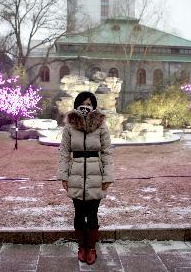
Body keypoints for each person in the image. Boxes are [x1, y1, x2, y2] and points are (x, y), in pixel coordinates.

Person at [57, 91, 114, 265]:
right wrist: (63, 176)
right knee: (79, 213)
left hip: (96, 174)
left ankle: (91, 247)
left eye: (89, 104)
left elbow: (107, 153)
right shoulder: (70, 126)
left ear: (94, 106)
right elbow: (64, 153)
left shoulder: (101, 126)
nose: (86, 106)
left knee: (93, 213)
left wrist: (107, 176)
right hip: (76, 174)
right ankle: (81, 246)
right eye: (83, 103)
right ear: (76, 105)